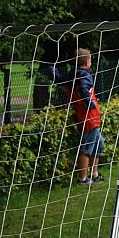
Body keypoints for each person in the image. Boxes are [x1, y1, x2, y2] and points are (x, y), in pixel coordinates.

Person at [48, 48, 105, 185]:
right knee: (87, 148)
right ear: (87, 62)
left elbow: (60, 80)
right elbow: (85, 90)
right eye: (90, 60)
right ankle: (83, 179)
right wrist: (90, 104)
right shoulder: (83, 75)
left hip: (86, 116)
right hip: (88, 116)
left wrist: (52, 70)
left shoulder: (72, 75)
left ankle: (94, 174)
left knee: (99, 145)